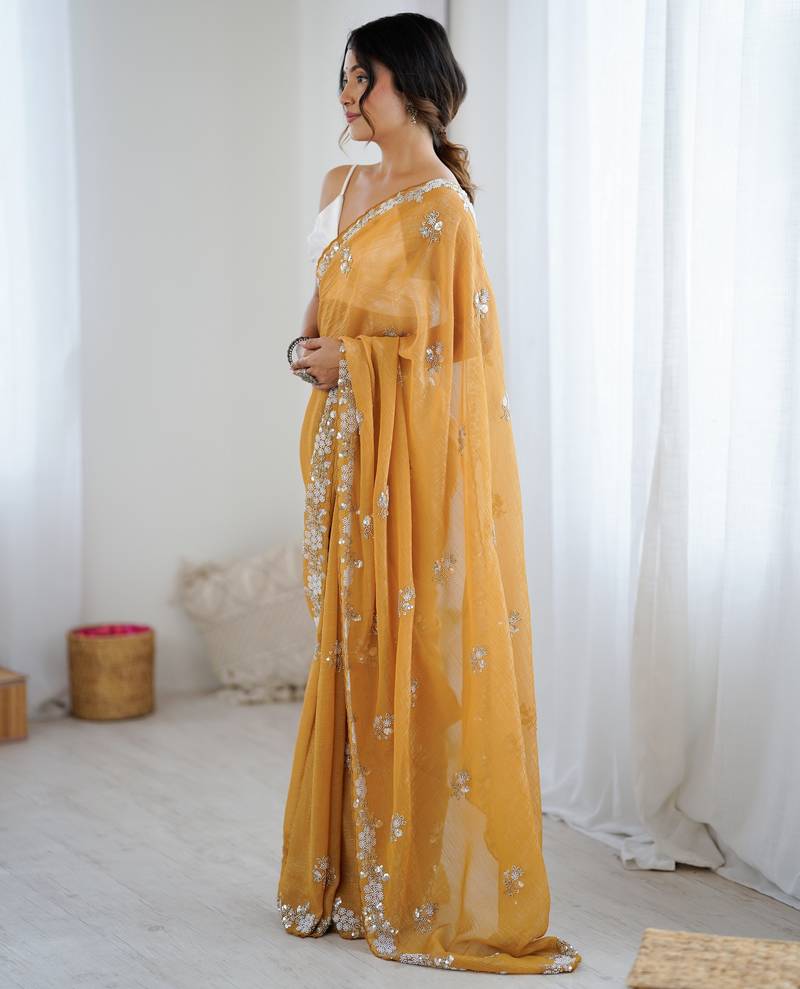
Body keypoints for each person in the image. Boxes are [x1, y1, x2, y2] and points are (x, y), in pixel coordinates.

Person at [277, 11, 581, 976]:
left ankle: (411, 879)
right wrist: (309, 354)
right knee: (346, 643)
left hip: (408, 467)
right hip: (342, 453)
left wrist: (359, 364)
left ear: (410, 86)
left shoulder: (446, 212)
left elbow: (464, 366)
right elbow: (315, 319)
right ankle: (346, 873)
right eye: (341, 76)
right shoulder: (339, 187)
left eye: (359, 77)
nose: (344, 94)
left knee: (414, 654)